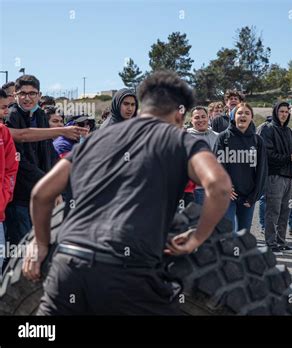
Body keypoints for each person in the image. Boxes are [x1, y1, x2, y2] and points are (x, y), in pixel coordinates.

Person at [22, 70, 232, 315]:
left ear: (142, 105)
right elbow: (219, 187)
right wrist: (196, 238)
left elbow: (41, 193)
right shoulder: (180, 140)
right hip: (129, 272)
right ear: (180, 112)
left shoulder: (96, 139)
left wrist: (41, 243)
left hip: (67, 266)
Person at [5, 75, 57, 246]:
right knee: (21, 249)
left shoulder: (41, 115)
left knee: (40, 246)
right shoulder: (12, 116)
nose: (27, 98)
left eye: (32, 93)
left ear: (39, 95)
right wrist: (47, 180)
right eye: (23, 93)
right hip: (19, 196)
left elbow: (48, 150)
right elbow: (18, 160)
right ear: (15, 95)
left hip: (39, 194)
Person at [214, 103, 267, 233]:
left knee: (243, 234)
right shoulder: (223, 138)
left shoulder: (257, 141)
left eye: (247, 113)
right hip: (228, 195)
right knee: (227, 232)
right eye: (239, 113)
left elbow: (262, 171)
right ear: (233, 117)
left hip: (248, 196)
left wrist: (254, 195)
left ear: (251, 118)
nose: (243, 115)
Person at [259, 102, 292, 254]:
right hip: (274, 176)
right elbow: (267, 154)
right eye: (281, 111)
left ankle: (281, 242)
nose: (284, 114)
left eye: (286, 111)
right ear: (275, 112)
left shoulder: (289, 131)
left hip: (289, 176)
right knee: (273, 211)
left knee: (285, 210)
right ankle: (271, 244)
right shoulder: (267, 129)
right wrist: (289, 158)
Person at [0, 89, 19, 272]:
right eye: (2, 107)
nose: (6, 112)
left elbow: (11, 169)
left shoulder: (3, 133)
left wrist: (4, 197)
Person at [186, 106, 219, 205]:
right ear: (191, 120)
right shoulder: (184, 137)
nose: (200, 120)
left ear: (208, 117)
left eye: (203, 116)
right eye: (196, 117)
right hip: (193, 190)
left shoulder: (218, 137)